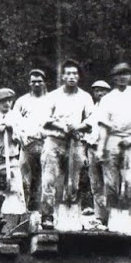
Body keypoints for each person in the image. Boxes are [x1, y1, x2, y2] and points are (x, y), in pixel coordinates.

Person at [96, 62, 131, 230]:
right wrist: (101, 147)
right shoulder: (107, 98)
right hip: (112, 139)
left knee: (130, 182)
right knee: (111, 183)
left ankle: (130, 221)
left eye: (125, 74)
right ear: (114, 78)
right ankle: (112, 222)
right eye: (118, 75)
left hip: (130, 139)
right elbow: (104, 125)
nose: (122, 78)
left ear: (130, 76)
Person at [40, 63, 94, 227]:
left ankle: (70, 217)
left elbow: (92, 120)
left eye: (74, 74)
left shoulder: (85, 97)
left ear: (78, 77)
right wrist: (62, 126)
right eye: (68, 74)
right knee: (49, 179)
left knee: (73, 182)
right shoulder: (52, 96)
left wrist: (78, 126)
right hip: (54, 141)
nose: (71, 77)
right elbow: (44, 119)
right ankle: (47, 216)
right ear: (62, 76)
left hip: (76, 142)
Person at [10, 68, 50, 214]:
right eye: (34, 81)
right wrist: (20, 137)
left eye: (39, 81)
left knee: (45, 181)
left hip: (46, 144)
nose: (37, 84)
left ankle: (43, 215)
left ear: (44, 82)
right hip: (28, 145)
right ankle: (25, 213)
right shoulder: (22, 101)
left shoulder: (51, 100)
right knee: (25, 181)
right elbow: (14, 122)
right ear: (29, 83)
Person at [85, 79, 111, 226]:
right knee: (95, 184)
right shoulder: (93, 109)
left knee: (109, 183)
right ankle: (99, 216)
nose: (99, 93)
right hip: (92, 148)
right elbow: (87, 128)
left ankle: (111, 215)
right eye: (96, 90)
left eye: (102, 90)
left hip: (107, 150)